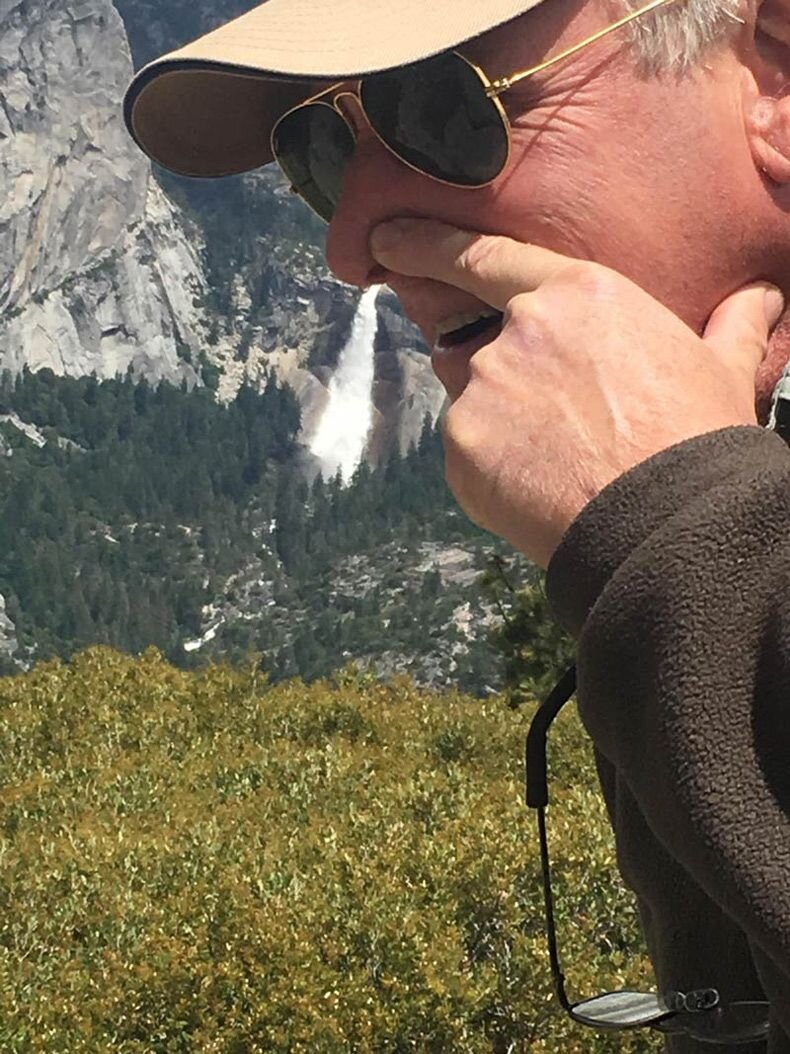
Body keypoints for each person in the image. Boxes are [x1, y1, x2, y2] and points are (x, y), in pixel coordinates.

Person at [124, 0, 790, 1047]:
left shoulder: (701, 523)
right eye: (320, 150)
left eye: (441, 108)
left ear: (777, 74)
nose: (351, 244)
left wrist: (684, 517)